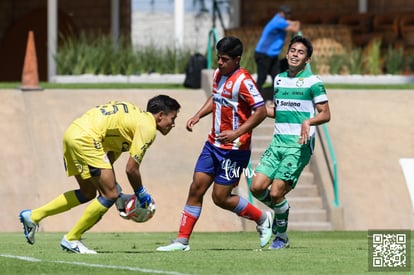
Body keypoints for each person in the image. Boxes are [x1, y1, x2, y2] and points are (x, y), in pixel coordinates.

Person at [19, 95, 181, 254]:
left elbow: (107, 162)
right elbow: (131, 169)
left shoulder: (132, 122)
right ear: (160, 116)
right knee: (109, 194)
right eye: (173, 118)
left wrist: (119, 195)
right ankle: (72, 238)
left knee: (88, 192)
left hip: (73, 133)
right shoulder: (148, 127)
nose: (173, 124)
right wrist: (141, 194)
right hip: (87, 138)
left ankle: (33, 216)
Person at [156, 36, 273, 252]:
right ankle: (182, 241)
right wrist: (198, 115)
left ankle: (263, 218)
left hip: (235, 150)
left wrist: (236, 132)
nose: (219, 63)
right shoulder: (219, 74)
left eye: (225, 59)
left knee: (220, 198)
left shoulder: (244, 81)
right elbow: (216, 97)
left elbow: (261, 110)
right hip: (212, 145)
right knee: (195, 188)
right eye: (218, 58)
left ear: (237, 59)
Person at [250, 36, 331, 249]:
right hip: (277, 142)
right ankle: (280, 211)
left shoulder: (314, 82)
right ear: (287, 55)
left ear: (308, 59)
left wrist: (309, 120)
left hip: (299, 145)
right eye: (292, 50)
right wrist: (255, 110)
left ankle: (281, 236)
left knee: (276, 192)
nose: (295, 54)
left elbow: (325, 114)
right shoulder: (279, 79)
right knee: (256, 188)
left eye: (300, 52)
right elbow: (278, 111)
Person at [254, 4, 301, 95]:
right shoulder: (278, 21)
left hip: (272, 56)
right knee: (262, 78)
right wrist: (297, 22)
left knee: (277, 78)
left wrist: (291, 22)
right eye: (286, 13)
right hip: (264, 54)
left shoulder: (280, 21)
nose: (288, 15)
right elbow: (295, 28)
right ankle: (254, 99)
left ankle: (272, 97)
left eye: (289, 14)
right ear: (280, 13)